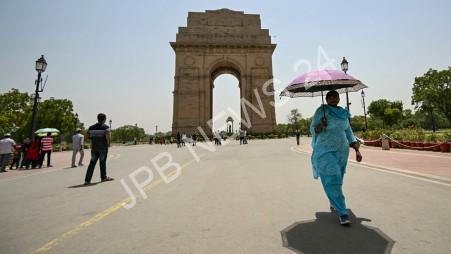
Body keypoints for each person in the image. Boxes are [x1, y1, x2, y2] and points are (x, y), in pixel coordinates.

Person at [310, 90, 362, 225]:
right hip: (325, 150)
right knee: (333, 177)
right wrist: (321, 125)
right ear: (326, 99)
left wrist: (356, 149)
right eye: (330, 97)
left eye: (335, 97)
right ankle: (343, 213)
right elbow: (314, 130)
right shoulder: (321, 111)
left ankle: (334, 200)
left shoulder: (343, 113)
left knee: (338, 179)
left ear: (339, 98)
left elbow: (348, 132)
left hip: (341, 151)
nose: (333, 99)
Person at [84, 113, 114, 185]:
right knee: (102, 162)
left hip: (94, 148)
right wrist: (108, 143)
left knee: (92, 163)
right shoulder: (106, 127)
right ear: (104, 119)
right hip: (103, 148)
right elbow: (108, 136)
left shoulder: (91, 127)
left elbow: (86, 137)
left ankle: (87, 180)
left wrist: (92, 138)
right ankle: (103, 177)